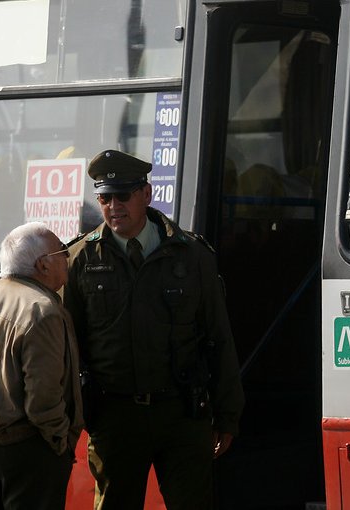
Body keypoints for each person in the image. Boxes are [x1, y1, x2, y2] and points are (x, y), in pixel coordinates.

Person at [63, 149, 245, 509]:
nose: (114, 206)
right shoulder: (81, 259)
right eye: (104, 198)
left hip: (181, 414)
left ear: (146, 195)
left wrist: (227, 414)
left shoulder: (191, 255)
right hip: (115, 418)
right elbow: (69, 346)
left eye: (123, 196)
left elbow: (218, 338)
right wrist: (73, 417)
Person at [0, 222, 83, 509]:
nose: (68, 259)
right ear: (43, 265)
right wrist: (61, 441)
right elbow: (43, 397)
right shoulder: (42, 309)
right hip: (29, 447)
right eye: (63, 252)